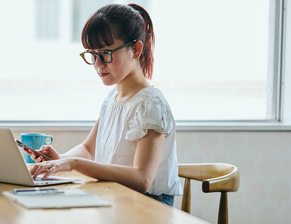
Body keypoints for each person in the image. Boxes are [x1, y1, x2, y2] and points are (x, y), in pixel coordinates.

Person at [27, 3, 182, 206]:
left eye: (106, 54)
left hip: (147, 206)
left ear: (135, 49)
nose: (98, 64)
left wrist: (72, 163)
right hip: (115, 198)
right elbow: (88, 149)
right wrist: (58, 161)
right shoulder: (113, 99)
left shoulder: (150, 104)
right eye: (93, 54)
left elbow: (142, 179)